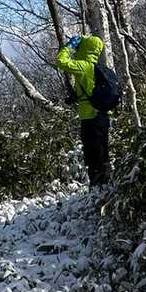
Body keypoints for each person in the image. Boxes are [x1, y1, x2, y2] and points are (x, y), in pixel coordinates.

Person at [55, 33, 120, 187]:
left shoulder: (84, 66)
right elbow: (90, 90)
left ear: (85, 48)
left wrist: (69, 46)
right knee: (102, 153)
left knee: (93, 156)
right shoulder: (99, 68)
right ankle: (104, 187)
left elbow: (60, 61)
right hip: (102, 116)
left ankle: (98, 189)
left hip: (91, 117)